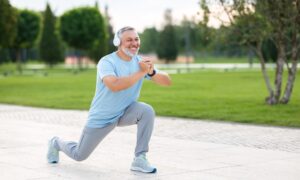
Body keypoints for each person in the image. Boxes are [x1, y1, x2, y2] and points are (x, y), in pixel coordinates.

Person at [47, 26, 172, 173]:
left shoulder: (140, 62)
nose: (134, 43)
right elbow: (114, 85)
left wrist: (151, 72)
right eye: (129, 40)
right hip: (103, 117)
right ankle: (56, 142)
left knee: (146, 111)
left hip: (125, 112)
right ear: (118, 42)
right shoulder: (107, 62)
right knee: (79, 155)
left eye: (136, 39)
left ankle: (140, 158)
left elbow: (166, 81)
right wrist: (141, 72)